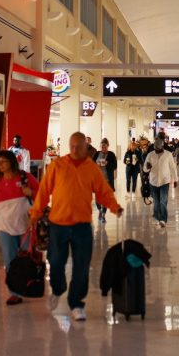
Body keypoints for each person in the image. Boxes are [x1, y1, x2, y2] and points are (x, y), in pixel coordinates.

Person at [31, 131, 121, 321]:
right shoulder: (58, 165)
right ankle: (58, 289)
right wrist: (35, 212)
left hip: (81, 226)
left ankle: (77, 303)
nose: (74, 149)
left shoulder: (91, 168)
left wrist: (114, 206)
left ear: (85, 148)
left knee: (81, 266)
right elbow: (44, 191)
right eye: (71, 146)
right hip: (58, 224)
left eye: (78, 146)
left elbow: (103, 191)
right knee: (55, 262)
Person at [0, 150, 39, 305]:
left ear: (11, 162)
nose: (0, 165)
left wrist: (30, 192)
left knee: (26, 260)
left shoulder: (25, 177)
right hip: (5, 229)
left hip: (26, 227)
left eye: (3, 161)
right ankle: (14, 293)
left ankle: (26, 286)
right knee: (10, 261)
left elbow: (41, 194)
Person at [143, 135, 178, 228]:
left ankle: (163, 219)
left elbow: (173, 168)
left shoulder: (168, 154)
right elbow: (144, 169)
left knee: (163, 201)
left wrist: (175, 179)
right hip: (153, 181)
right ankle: (158, 218)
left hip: (165, 181)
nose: (156, 150)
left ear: (162, 147)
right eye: (155, 148)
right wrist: (147, 168)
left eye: (158, 148)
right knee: (156, 201)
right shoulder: (150, 155)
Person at [94, 139, 118, 224]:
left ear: (108, 146)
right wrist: (97, 165)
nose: (103, 147)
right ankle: (100, 210)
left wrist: (107, 163)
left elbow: (115, 166)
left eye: (105, 146)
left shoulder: (111, 154)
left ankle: (103, 215)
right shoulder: (97, 154)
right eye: (102, 146)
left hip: (107, 180)